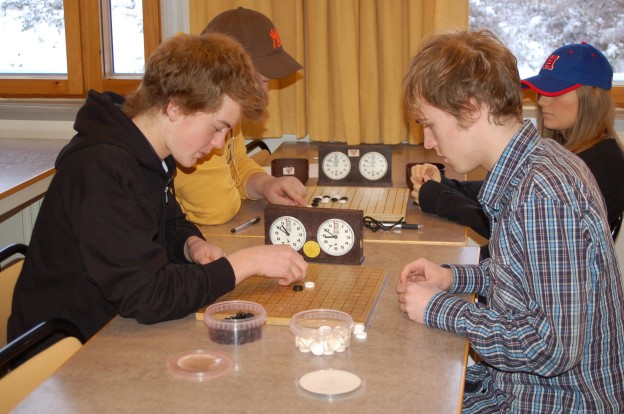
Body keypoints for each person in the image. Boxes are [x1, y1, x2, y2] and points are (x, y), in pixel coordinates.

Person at [8, 33, 308, 346]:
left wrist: (189, 244)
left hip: (109, 327)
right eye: (217, 127)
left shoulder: (150, 152)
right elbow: (148, 295)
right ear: (175, 107)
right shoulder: (102, 169)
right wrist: (244, 264)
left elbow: (167, 221)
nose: (219, 144)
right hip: (64, 350)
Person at [397, 30, 624, 412]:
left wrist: (439, 308)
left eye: (429, 124)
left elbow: (551, 348)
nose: (428, 142)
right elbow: (523, 278)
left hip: (555, 402)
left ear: (470, 108)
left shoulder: (541, 194)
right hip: (514, 387)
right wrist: (452, 278)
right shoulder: (537, 162)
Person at [409, 42, 624, 244]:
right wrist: (447, 185)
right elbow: (503, 192)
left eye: (555, 92)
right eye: (542, 91)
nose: (541, 101)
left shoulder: (597, 168)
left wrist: (442, 200)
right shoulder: (554, 152)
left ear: (594, 97)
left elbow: (510, 225)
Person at [175, 7, 307, 226]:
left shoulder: (226, 112)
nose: (265, 97)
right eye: (261, 81)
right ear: (225, 74)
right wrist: (237, 186)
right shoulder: (195, 122)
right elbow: (217, 209)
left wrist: (266, 184)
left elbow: (237, 164)